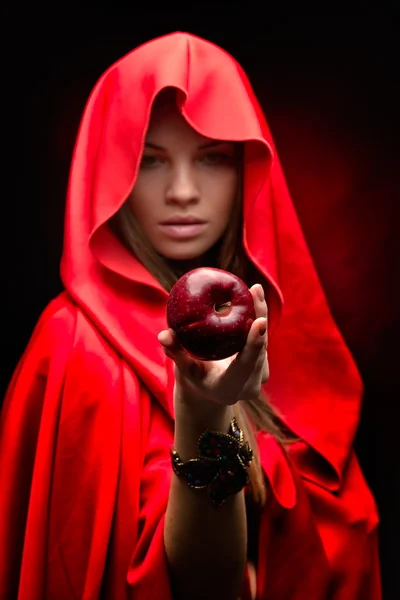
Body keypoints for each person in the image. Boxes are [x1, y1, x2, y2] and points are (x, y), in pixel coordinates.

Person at [0, 31, 381, 600]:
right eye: (150, 161)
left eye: (211, 158)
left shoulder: (277, 327)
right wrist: (203, 407)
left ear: (246, 167)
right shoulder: (75, 345)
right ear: (109, 174)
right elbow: (207, 585)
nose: (182, 191)